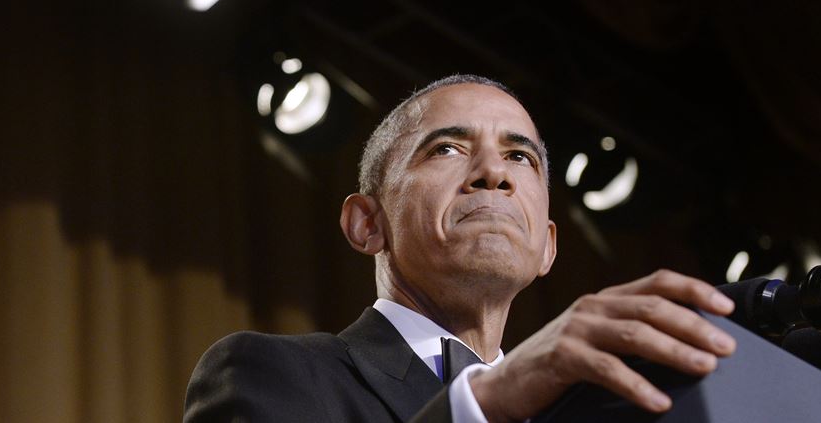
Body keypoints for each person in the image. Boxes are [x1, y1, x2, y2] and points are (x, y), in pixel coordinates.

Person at [183, 75, 737, 422]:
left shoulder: (601, 408)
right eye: (447, 148)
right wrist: (485, 405)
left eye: (521, 158)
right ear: (366, 224)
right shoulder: (273, 373)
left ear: (547, 247)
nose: (494, 172)